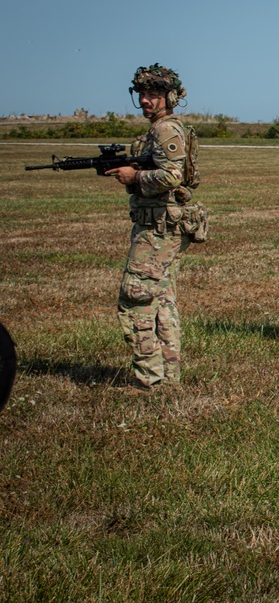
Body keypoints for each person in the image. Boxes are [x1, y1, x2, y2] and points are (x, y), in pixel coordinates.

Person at [106, 64, 206, 389]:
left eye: (153, 94)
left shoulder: (165, 130)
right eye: (142, 94)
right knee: (161, 300)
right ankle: (168, 378)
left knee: (134, 296)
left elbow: (172, 176)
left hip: (159, 229)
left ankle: (149, 379)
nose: (146, 100)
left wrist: (134, 177)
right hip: (157, 225)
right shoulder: (158, 130)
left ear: (170, 97)